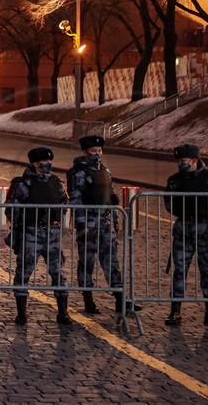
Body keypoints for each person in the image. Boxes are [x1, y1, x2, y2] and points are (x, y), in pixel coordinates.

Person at [163, 143, 208, 328]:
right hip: (184, 230)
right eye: (178, 161)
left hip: (205, 230)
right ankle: (175, 311)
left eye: (183, 161)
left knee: (207, 272)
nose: (180, 164)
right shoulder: (174, 180)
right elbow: (168, 204)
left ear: (194, 160)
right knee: (179, 272)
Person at [6, 147, 72, 325]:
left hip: (52, 233)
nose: (48, 164)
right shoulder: (22, 183)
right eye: (44, 162)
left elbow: (65, 203)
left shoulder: (56, 182)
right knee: (24, 272)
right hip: (31, 233)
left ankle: (63, 313)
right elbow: (12, 209)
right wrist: (20, 229)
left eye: (50, 161)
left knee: (58, 272)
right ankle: (21, 313)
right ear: (35, 163)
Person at [67, 135, 124, 315]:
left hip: (105, 223)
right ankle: (88, 300)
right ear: (85, 152)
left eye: (99, 151)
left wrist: (115, 220)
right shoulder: (78, 172)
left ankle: (120, 300)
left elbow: (111, 197)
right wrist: (81, 224)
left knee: (112, 262)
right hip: (88, 224)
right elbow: (75, 199)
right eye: (93, 151)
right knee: (87, 263)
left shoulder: (105, 171)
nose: (97, 154)